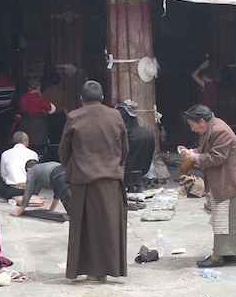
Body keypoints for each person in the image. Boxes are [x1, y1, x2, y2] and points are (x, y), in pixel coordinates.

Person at [59, 80, 128, 282]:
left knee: (85, 227)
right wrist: (118, 164)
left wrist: (70, 168)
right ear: (102, 98)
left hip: (83, 179)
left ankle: (88, 269)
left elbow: (64, 149)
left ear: (82, 100)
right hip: (110, 179)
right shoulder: (115, 115)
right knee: (109, 226)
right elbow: (124, 147)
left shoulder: (74, 116)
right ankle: (109, 268)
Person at [178, 105, 236, 268]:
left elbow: (217, 157)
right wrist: (193, 153)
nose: (192, 129)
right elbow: (208, 150)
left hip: (232, 180)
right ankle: (229, 250)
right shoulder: (211, 128)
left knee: (225, 218)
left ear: (201, 121)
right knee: (231, 219)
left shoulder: (220, 130)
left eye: (192, 125)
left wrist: (194, 156)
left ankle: (218, 255)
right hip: (227, 178)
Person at [116, 99, 155, 193]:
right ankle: (140, 185)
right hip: (147, 135)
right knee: (142, 160)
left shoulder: (120, 110)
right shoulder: (129, 110)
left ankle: (130, 186)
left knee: (130, 160)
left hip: (133, 135)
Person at [0, 131, 39, 201]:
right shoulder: (34, 154)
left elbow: (4, 175)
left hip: (12, 191)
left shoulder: (5, 154)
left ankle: (13, 197)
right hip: (32, 190)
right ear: (24, 141)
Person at [17, 77, 56, 158]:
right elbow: (51, 109)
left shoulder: (23, 97)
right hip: (39, 127)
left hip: (26, 125)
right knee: (40, 150)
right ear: (38, 87)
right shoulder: (39, 98)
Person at [42, 73, 69, 146]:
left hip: (50, 116)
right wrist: (68, 119)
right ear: (59, 82)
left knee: (51, 137)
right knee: (60, 137)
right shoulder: (62, 92)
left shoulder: (45, 93)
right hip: (61, 117)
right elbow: (65, 107)